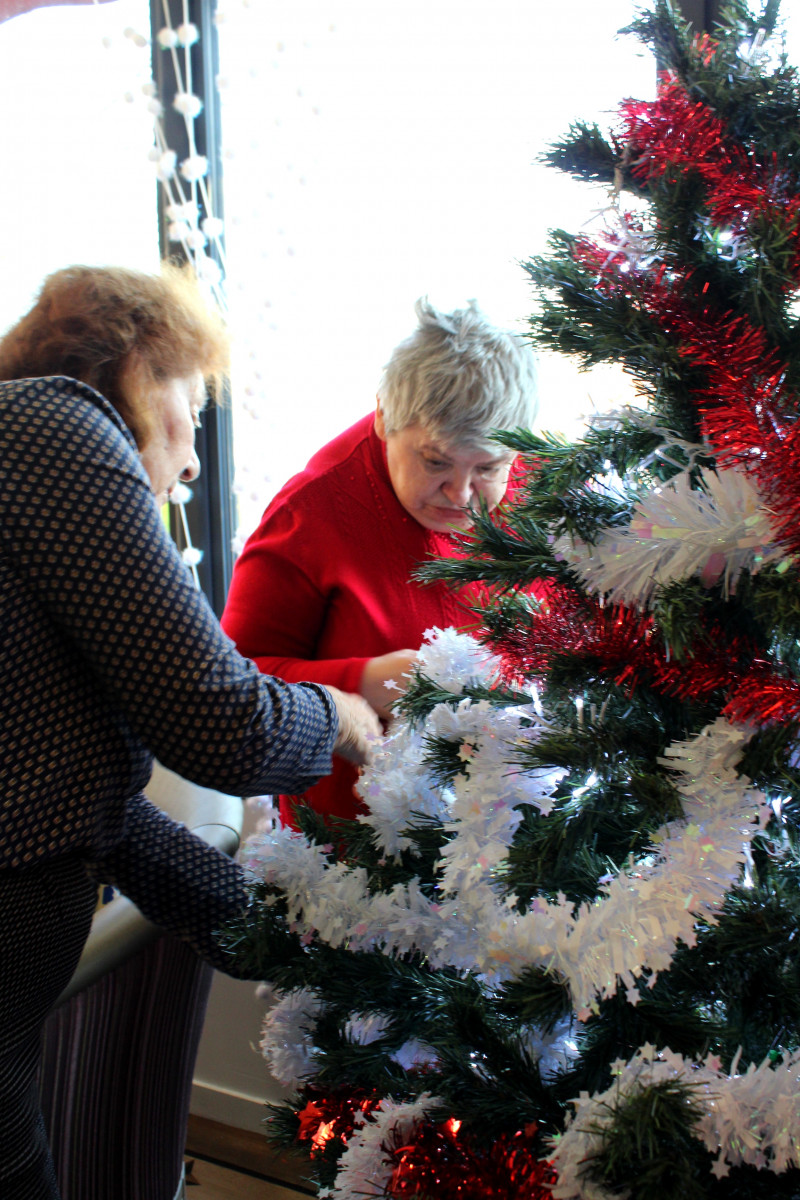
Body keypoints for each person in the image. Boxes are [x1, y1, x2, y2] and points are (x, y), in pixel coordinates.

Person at [0, 262, 380, 1200]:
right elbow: (220, 724)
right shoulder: (52, 424)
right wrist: (341, 712)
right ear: (137, 366)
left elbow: (96, 814)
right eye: (196, 411)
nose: (197, 461)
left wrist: (278, 943)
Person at [221, 297, 538, 827]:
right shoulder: (311, 515)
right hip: (354, 851)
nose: (461, 493)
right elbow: (230, 690)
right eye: (435, 462)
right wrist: (364, 680)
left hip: (519, 827)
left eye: (489, 467)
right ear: (385, 419)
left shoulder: (545, 487)